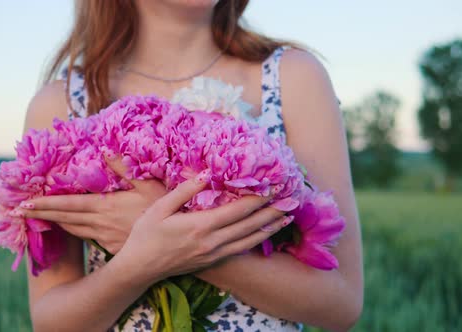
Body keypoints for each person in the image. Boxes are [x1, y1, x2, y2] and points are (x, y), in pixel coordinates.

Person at [18, 1, 363, 331]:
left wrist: (185, 243)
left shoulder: (292, 77)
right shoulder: (61, 103)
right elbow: (52, 322)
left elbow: (343, 303)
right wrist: (138, 263)